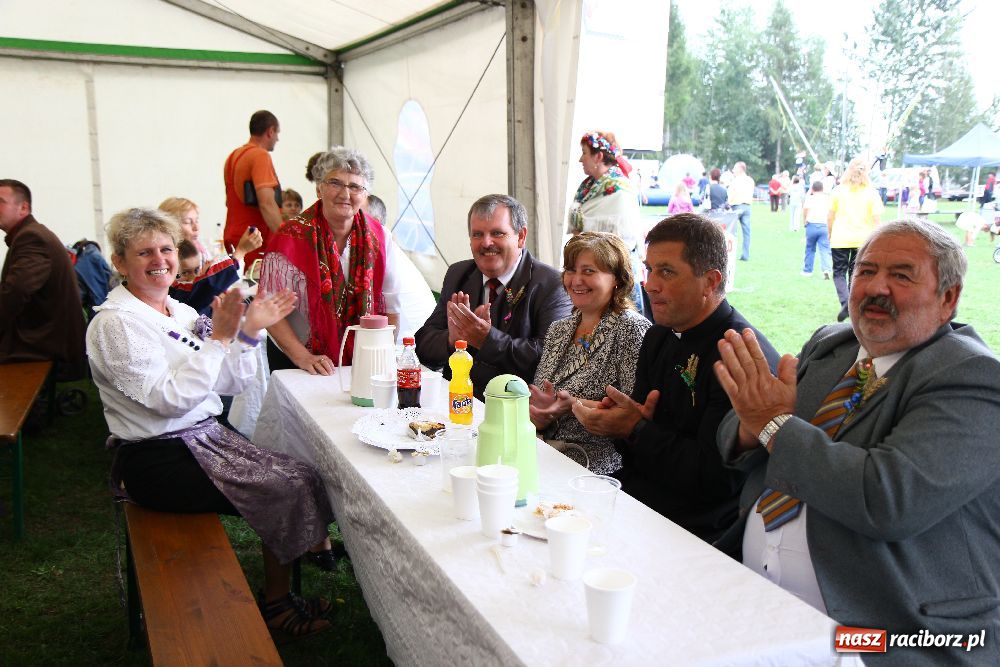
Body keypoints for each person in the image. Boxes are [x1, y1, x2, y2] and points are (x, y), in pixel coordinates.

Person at [713, 219, 1000, 664]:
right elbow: (748, 425)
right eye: (865, 271)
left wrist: (773, 425)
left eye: (901, 276)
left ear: (948, 299)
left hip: (883, 630)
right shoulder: (833, 345)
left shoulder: (973, 379)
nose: (875, 287)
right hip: (751, 591)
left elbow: (886, 498)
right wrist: (753, 428)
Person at [88, 207, 336, 639]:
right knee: (284, 485)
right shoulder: (116, 324)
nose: (159, 260)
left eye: (166, 248)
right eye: (144, 252)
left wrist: (248, 333)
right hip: (154, 459)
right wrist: (221, 338)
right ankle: (277, 606)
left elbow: (229, 382)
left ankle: (285, 590)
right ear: (120, 263)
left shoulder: (177, 311)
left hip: (202, 438)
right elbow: (166, 401)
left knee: (300, 472)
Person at [571, 213, 779, 543]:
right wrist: (619, 422)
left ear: (710, 282)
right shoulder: (659, 337)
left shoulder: (739, 355)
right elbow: (636, 446)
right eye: (649, 269)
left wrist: (635, 429)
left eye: (666, 272)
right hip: (638, 502)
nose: (650, 284)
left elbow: (717, 479)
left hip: (697, 530)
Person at [415, 194, 572, 399]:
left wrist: (487, 340)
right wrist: (452, 340)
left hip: (515, 409)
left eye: (497, 233)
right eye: (477, 234)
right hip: (456, 403)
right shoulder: (459, 274)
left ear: (521, 237)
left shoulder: (551, 284)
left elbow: (550, 359)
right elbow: (423, 346)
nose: (486, 243)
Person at [260, 146, 402, 373]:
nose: (345, 194)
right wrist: (303, 357)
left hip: (359, 360)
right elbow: (268, 309)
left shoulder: (379, 237)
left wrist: (382, 356)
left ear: (365, 194)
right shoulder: (290, 237)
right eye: (335, 183)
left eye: (355, 186)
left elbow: (392, 305)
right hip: (297, 360)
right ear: (319, 189)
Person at [529, 232, 651, 474]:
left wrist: (571, 405)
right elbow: (545, 398)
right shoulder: (559, 329)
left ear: (617, 278)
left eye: (589, 271)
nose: (575, 280)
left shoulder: (631, 329)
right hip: (545, 454)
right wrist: (540, 417)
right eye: (571, 270)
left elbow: (633, 414)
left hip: (596, 468)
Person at [0, 179, 86, 376]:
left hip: (43, 344)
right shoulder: (29, 233)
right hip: (43, 338)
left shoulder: (31, 237)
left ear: (23, 208)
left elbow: (15, 292)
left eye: (0, 201)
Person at [567, 131, 644, 313]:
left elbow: (623, 241)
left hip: (615, 272)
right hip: (591, 269)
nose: (580, 159)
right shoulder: (587, 188)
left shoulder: (619, 190)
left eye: (584, 153)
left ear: (598, 156)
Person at [363, 193, 435, 340]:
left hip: (409, 347)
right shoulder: (378, 249)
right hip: (410, 340)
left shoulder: (380, 251)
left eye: (357, 217)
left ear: (375, 223)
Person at [223, 110, 283, 269]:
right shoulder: (260, 156)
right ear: (270, 131)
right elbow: (267, 203)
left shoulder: (233, 156)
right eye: (277, 133)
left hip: (233, 235)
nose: (278, 138)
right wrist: (285, 238)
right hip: (253, 241)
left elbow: (229, 201)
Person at [828, 156, 883, 322]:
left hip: (840, 238)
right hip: (863, 240)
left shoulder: (838, 190)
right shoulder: (871, 193)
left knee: (839, 273)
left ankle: (846, 303)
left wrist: (830, 232)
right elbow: (876, 220)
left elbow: (830, 215)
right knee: (856, 275)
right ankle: (852, 306)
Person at [159, 197, 211, 263]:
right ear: (169, 226)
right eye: (188, 222)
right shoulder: (163, 257)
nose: (196, 228)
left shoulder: (200, 249)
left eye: (197, 221)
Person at [801, 181, 832, 279]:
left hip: (812, 225)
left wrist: (805, 220)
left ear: (812, 189)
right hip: (824, 225)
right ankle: (826, 269)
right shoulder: (827, 198)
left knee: (810, 248)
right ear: (822, 189)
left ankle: (807, 270)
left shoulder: (810, 198)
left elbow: (805, 209)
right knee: (824, 249)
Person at [728, 161, 755, 261]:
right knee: (747, 232)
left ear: (740, 169)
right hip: (747, 206)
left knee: (731, 231)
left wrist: (729, 203)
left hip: (737, 206)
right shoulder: (750, 180)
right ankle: (745, 255)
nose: (733, 171)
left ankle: (730, 253)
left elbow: (731, 194)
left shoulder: (735, 181)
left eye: (734, 169)